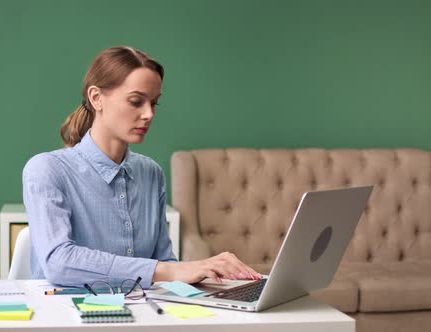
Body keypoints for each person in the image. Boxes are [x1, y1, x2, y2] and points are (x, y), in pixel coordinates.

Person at [22, 46, 261, 290]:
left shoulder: (150, 173)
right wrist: (167, 270)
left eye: (154, 103)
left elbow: (165, 263)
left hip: (144, 315)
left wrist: (214, 292)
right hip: (68, 319)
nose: (148, 114)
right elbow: (59, 263)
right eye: (136, 101)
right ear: (96, 98)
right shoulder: (47, 169)